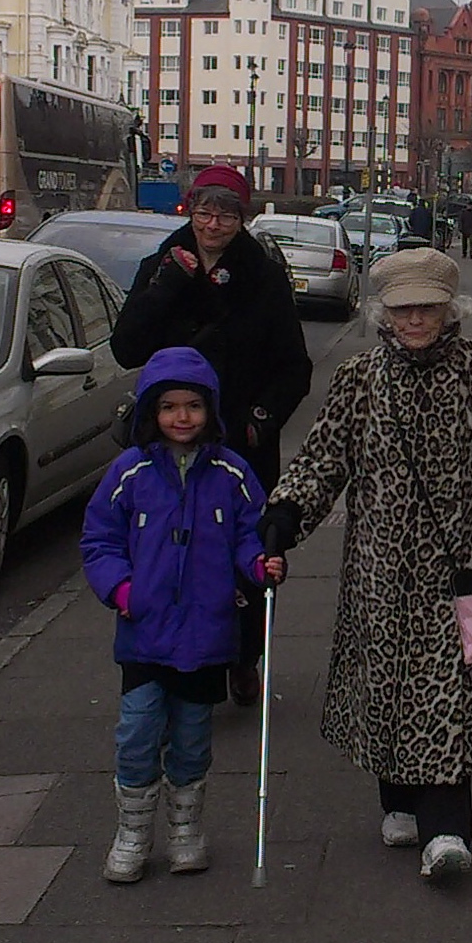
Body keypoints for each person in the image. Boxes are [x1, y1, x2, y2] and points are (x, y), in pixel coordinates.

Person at [258, 247, 472, 883]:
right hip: (380, 570)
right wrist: (284, 515)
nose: (415, 319)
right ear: (383, 313)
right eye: (403, 309)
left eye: (428, 308)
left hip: (459, 569)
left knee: (449, 691)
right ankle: (397, 799)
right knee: (386, 683)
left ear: (451, 309)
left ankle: (447, 830)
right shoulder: (359, 378)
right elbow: (322, 461)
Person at [109, 163, 312, 706]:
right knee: (164, 552)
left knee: (246, 555)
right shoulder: (163, 266)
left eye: (226, 215)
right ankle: (168, 661)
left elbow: (294, 366)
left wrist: (259, 420)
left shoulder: (263, 276)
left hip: (239, 445)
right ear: (190, 210)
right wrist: (168, 287)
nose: (213, 224)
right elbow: (126, 347)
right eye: (204, 211)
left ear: (242, 219)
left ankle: (244, 657)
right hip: (169, 441)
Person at [81, 347, 285, 883]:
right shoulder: (129, 472)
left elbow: (249, 533)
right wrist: (123, 592)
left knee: (193, 738)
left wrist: (259, 565)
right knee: (137, 731)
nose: (182, 417)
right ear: (151, 411)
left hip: (205, 634)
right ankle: (131, 832)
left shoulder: (231, 473)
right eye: (169, 406)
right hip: (145, 633)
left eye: (193, 405)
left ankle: (186, 829)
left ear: (210, 410)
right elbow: (100, 539)